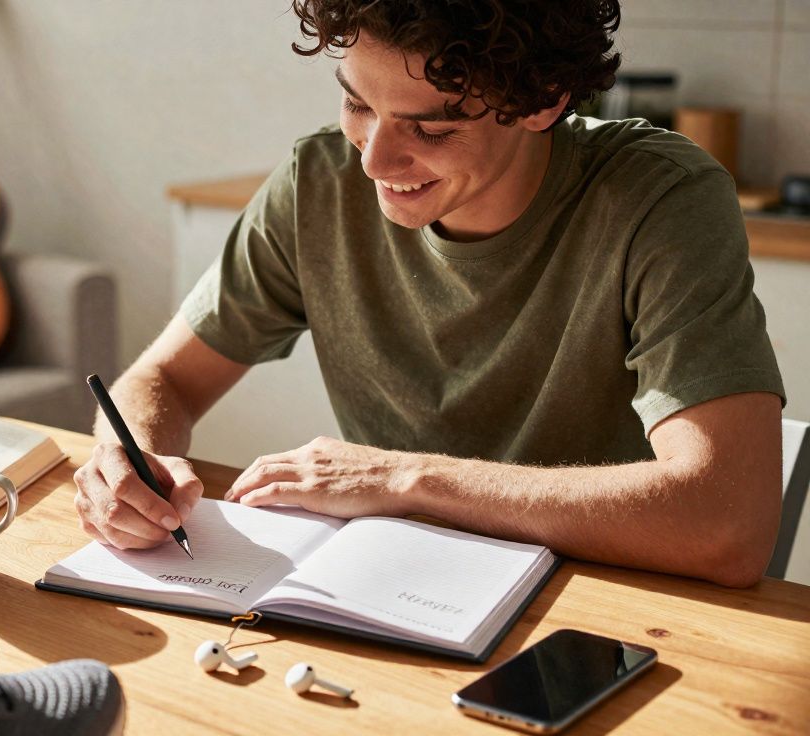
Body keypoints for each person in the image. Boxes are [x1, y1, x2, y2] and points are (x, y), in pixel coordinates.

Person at [74, 0, 785, 587]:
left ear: (543, 101)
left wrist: (407, 478)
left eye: (431, 127)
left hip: (595, 608)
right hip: (388, 591)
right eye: (357, 103)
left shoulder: (659, 200)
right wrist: (125, 461)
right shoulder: (319, 182)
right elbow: (163, 377)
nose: (376, 160)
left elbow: (727, 523)